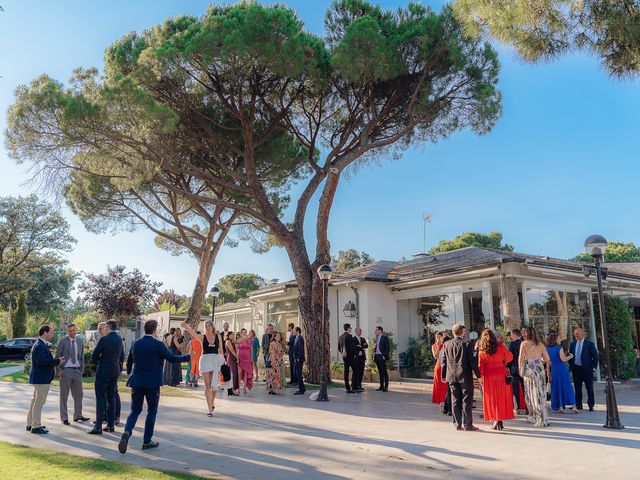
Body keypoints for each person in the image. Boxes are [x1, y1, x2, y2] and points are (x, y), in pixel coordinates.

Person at [118, 319, 190, 453]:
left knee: (135, 410)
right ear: (155, 330)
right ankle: (147, 441)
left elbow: (129, 361)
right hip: (152, 383)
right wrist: (187, 358)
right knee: (151, 411)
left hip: (137, 382)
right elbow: (171, 358)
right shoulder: (158, 344)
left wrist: (130, 373)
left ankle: (127, 431)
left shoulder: (136, 343)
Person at [181, 320, 225, 416]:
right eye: (205, 326)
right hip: (205, 360)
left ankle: (212, 401)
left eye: (208, 326)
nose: (207, 328)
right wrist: (186, 326)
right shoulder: (202, 337)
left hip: (215, 360)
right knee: (207, 384)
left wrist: (223, 362)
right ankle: (209, 409)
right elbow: (193, 333)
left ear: (212, 326)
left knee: (214, 385)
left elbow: (221, 350)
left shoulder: (218, 336)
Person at [441, 324, 480, 431]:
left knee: (455, 400)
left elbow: (444, 361)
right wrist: (478, 375)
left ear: (453, 333)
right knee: (466, 400)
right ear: (462, 332)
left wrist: (443, 375)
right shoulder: (466, 344)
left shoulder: (447, 344)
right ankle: (468, 424)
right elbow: (471, 361)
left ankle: (457, 424)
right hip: (464, 376)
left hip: (451, 376)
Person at [27, 325, 64, 434]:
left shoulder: (41, 344)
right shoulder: (39, 345)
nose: (53, 334)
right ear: (45, 332)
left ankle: (31, 423)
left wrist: (55, 361)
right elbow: (42, 362)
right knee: (39, 402)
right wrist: (57, 361)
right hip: (41, 378)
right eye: (51, 332)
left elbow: (44, 360)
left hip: (40, 377)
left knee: (35, 401)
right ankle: (35, 426)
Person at [89, 319, 124, 434]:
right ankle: (110, 425)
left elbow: (94, 356)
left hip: (103, 370)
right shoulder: (119, 339)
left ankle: (98, 426)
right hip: (114, 370)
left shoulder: (104, 339)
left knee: (100, 397)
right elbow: (121, 355)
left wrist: (101, 360)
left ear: (108, 327)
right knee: (111, 397)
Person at [478, 328, 514, 431]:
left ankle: (496, 420)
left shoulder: (482, 351)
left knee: (493, 399)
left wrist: (481, 378)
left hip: (489, 377)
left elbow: (481, 367)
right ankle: (499, 420)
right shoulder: (501, 347)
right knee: (501, 398)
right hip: (501, 375)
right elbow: (509, 358)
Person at [55, 323, 89, 425]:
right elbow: (57, 357)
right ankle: (64, 417)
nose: (72, 332)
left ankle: (78, 415)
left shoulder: (80, 341)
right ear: (67, 331)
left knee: (79, 395)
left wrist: (81, 370)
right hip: (66, 371)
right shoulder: (63, 341)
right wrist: (59, 370)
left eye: (74, 330)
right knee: (64, 395)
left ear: (76, 330)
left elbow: (82, 357)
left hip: (77, 371)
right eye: (70, 331)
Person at [518, 326, 550, 427]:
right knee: (540, 393)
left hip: (530, 368)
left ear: (526, 334)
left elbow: (520, 358)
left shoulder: (524, 344)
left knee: (531, 393)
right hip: (539, 368)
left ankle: (535, 417)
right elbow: (547, 359)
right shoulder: (540, 345)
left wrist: (520, 369)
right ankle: (543, 418)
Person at [546, 333, 578, 414]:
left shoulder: (548, 349)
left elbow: (548, 362)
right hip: (562, 370)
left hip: (554, 370)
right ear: (555, 340)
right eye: (559, 338)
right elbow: (563, 359)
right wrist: (571, 356)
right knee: (567, 387)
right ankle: (573, 406)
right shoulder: (559, 348)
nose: (560, 340)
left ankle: (560, 407)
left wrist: (548, 372)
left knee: (557, 387)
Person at [569, 327, 599, 411]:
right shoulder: (573, 344)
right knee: (577, 388)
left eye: (577, 334)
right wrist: (571, 365)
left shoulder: (589, 344)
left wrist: (593, 368)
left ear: (582, 334)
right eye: (575, 334)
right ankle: (578, 404)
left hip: (587, 369)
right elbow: (570, 355)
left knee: (589, 388)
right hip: (576, 369)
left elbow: (595, 357)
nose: (576, 335)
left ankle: (591, 405)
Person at [508, 329, 526, 414]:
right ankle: (528, 408)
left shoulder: (512, 344)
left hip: (514, 369)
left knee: (515, 389)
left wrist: (508, 367)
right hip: (524, 368)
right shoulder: (524, 343)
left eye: (511, 334)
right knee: (525, 388)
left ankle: (516, 408)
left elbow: (509, 357)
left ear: (514, 334)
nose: (510, 336)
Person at [338, 323, 356, 393]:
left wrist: (343, 353)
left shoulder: (340, 337)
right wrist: (354, 355)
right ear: (348, 328)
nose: (351, 329)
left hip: (344, 357)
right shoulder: (349, 336)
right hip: (350, 357)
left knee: (346, 372)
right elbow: (352, 347)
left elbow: (339, 348)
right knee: (356, 370)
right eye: (350, 328)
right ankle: (353, 386)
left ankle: (347, 388)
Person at [431, 332, 447, 406]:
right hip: (438, 366)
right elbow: (435, 356)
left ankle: (444, 399)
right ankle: (438, 399)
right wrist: (438, 345)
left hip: (444, 365)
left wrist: (442, 344)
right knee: (438, 383)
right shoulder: (434, 346)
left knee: (444, 384)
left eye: (439, 337)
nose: (437, 338)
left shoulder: (445, 345)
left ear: (442, 337)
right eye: (436, 337)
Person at [439, 334, 453, 415]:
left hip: (447, 372)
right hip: (449, 372)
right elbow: (444, 363)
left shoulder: (442, 350)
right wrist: (443, 375)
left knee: (449, 391)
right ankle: (450, 410)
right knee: (450, 392)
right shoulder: (446, 350)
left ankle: (445, 408)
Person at [237, 328, 253, 393]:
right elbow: (237, 349)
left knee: (246, 373)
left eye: (245, 332)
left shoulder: (249, 340)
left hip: (247, 358)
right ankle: (238, 388)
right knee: (239, 373)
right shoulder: (239, 340)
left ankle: (244, 388)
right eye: (243, 332)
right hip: (240, 357)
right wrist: (237, 358)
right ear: (241, 333)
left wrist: (251, 357)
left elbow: (251, 349)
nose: (244, 333)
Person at [374, 326, 390, 392]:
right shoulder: (376, 338)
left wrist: (384, 356)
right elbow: (377, 347)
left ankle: (386, 387)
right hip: (377, 356)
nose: (375, 331)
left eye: (376, 330)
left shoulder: (385, 338)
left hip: (382, 356)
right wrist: (374, 349)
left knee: (384, 372)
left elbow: (387, 348)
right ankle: (381, 386)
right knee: (380, 372)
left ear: (380, 331)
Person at [352, 327, 368, 392]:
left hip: (362, 358)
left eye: (361, 331)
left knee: (361, 372)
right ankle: (354, 385)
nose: (360, 332)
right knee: (356, 372)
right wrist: (360, 347)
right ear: (355, 332)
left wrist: (360, 346)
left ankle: (359, 385)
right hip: (356, 358)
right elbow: (354, 347)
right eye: (359, 331)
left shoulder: (363, 339)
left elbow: (366, 345)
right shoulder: (353, 339)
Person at [225, 331, 240, 396]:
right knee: (233, 374)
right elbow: (232, 350)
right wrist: (237, 357)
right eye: (232, 335)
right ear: (229, 335)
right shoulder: (228, 342)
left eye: (234, 334)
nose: (233, 336)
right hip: (231, 359)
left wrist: (245, 337)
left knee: (235, 373)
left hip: (233, 359)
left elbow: (239, 341)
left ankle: (234, 389)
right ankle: (232, 390)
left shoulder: (232, 341)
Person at [293, 326, 306, 394]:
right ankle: (302, 388)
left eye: (294, 331)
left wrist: (298, 358)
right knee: (297, 373)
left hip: (298, 359)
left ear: (298, 331)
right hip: (296, 358)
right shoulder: (296, 338)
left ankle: (301, 389)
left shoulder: (300, 338)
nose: (293, 332)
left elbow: (301, 349)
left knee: (298, 374)